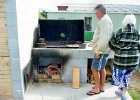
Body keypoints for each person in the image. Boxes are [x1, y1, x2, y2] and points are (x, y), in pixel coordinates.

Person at [109, 14, 140, 100]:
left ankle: (122, 92)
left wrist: (117, 50)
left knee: (119, 75)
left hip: (120, 60)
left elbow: (111, 43)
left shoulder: (120, 31)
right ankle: (122, 92)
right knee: (127, 75)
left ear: (125, 22)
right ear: (134, 22)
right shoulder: (138, 32)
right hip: (133, 60)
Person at [87, 4, 113, 95]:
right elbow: (101, 36)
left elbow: (104, 38)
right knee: (101, 69)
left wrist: (98, 51)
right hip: (102, 50)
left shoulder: (105, 21)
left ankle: (97, 88)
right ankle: (101, 87)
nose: (96, 15)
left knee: (94, 69)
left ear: (100, 12)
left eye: (96, 13)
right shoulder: (104, 20)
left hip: (101, 50)